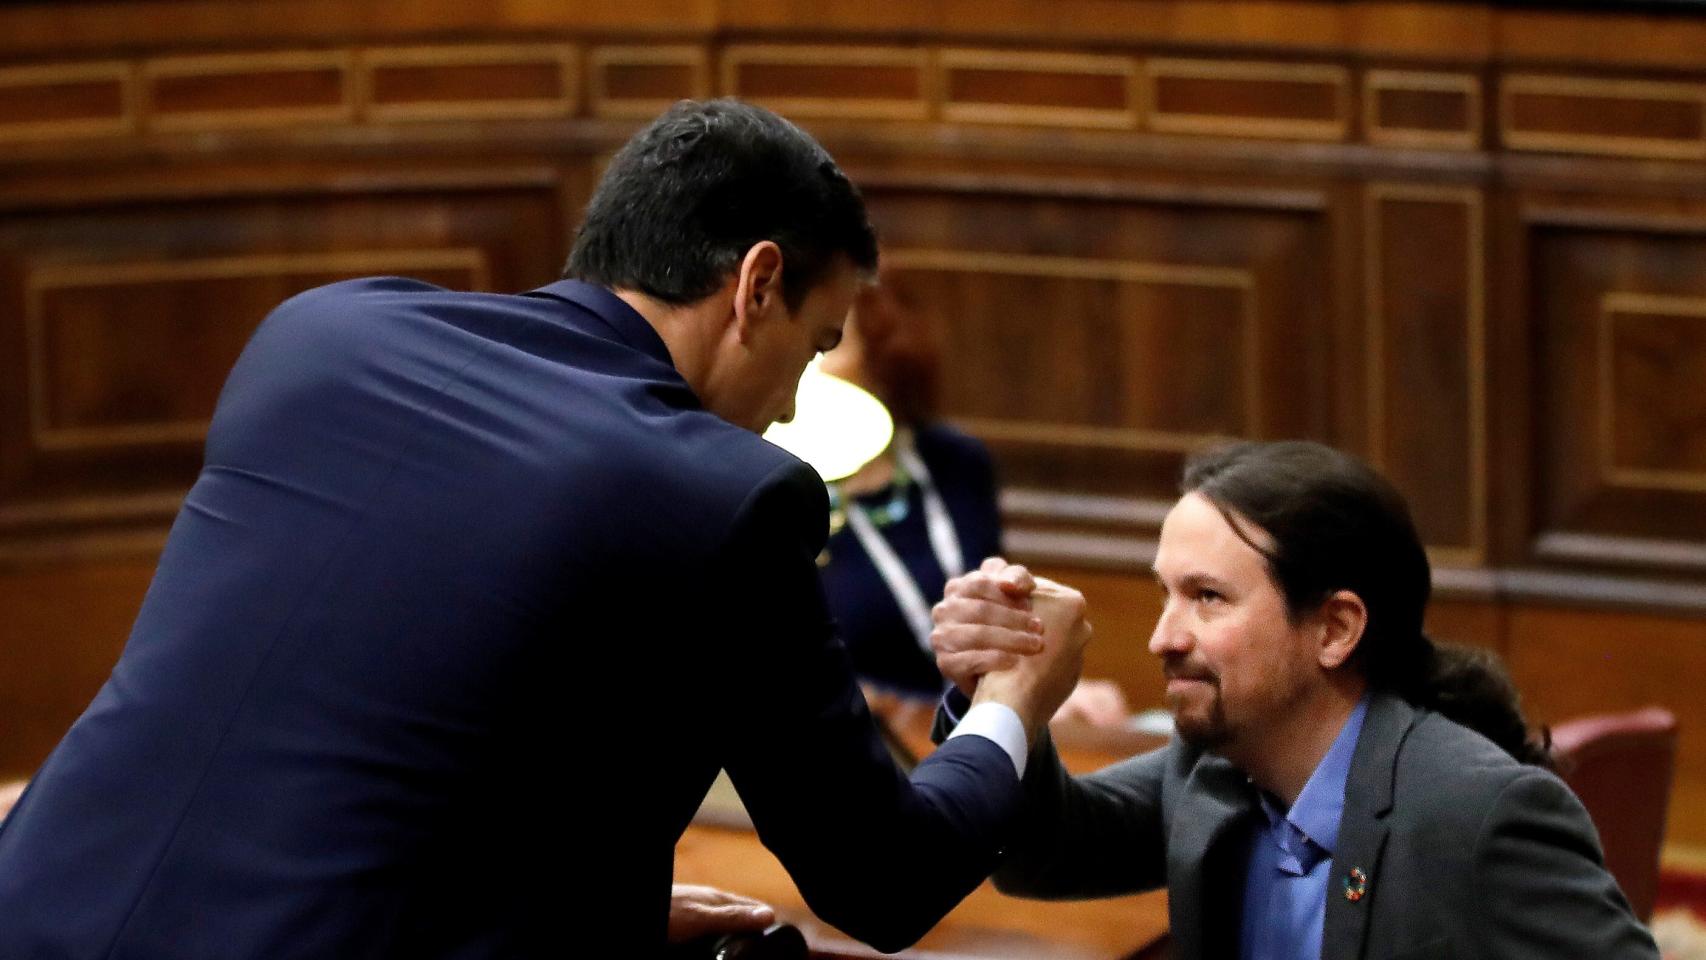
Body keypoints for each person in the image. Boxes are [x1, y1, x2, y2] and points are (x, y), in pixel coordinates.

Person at [0, 99, 1089, 958]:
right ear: (755, 283)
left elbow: (366, 737)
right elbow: (880, 881)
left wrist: (584, 912)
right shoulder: (726, 494)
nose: (795, 407)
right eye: (812, 345)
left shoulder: (320, 336)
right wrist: (1008, 707)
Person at [931, 440, 1660, 959]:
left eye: (1208, 598)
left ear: (1336, 629)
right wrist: (1004, 695)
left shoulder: (1477, 815)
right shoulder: (1210, 772)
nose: (1162, 638)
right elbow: (1044, 854)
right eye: (1167, 594)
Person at [816, 264, 1128, 724]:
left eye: (829, 343)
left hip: (979, 717)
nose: (809, 369)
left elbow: (1002, 614)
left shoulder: (954, 461)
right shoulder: (780, 492)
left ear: (881, 356)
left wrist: (1052, 692)